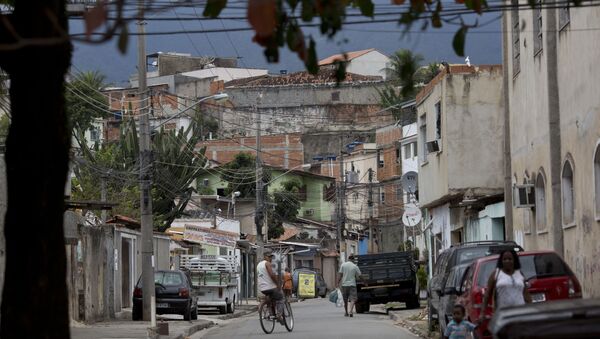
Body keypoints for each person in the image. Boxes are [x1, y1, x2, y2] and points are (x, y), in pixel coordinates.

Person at [480, 249, 531, 323]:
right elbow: (487, 295)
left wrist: (531, 310)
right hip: (503, 315)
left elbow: (526, 295)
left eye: (510, 259)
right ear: (501, 261)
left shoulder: (520, 274)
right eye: (504, 259)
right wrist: (482, 313)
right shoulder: (496, 274)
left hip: (520, 314)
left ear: (514, 260)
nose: (507, 261)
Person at [257, 249, 284, 323]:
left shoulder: (259, 265)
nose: (270, 258)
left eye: (271, 257)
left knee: (270, 299)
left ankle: (271, 314)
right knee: (280, 298)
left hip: (262, 288)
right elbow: (272, 275)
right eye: (269, 257)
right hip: (270, 287)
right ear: (265, 257)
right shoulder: (267, 263)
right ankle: (279, 315)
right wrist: (278, 284)